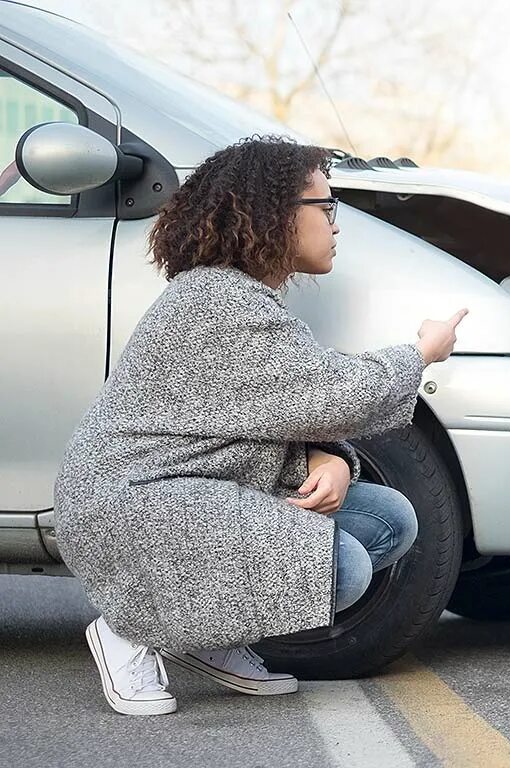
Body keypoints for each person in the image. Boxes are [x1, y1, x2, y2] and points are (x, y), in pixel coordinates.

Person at [54, 136, 467, 716]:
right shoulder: (219, 302)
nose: (335, 222)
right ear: (277, 215)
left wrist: (329, 460)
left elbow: (260, 419)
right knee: (339, 566)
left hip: (188, 490)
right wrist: (421, 352)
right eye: (324, 207)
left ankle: (207, 632)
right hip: (132, 506)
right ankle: (132, 626)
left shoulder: (238, 295)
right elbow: (329, 396)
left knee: (389, 519)